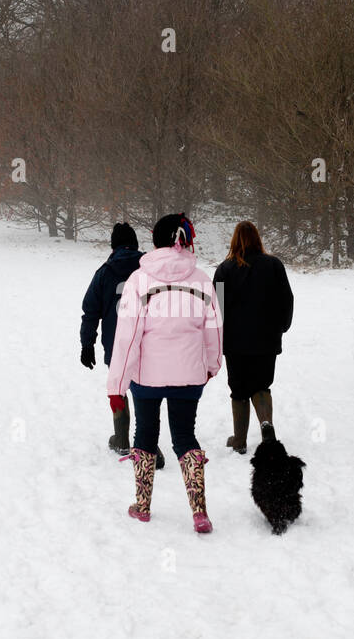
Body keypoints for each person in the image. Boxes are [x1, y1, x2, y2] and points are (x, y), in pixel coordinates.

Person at [107, 213, 222, 532]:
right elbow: (214, 327)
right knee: (185, 435)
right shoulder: (201, 279)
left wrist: (117, 384)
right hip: (189, 375)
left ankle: (142, 505)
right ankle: (199, 510)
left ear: (155, 240)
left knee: (145, 432)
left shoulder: (138, 281)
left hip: (147, 378)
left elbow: (127, 337)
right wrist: (211, 365)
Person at [80, 222, 164, 464]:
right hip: (149, 339)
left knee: (119, 387)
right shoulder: (151, 270)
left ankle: (121, 439)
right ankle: (149, 444)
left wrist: (87, 344)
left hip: (116, 342)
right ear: (136, 244)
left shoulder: (104, 272)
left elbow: (90, 311)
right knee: (144, 390)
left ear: (113, 245)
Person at [213, 221, 294, 454]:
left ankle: (239, 440)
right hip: (266, 339)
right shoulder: (274, 265)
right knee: (262, 385)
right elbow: (286, 299)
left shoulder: (225, 269)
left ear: (234, 240)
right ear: (258, 239)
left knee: (238, 390)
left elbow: (216, 308)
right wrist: (282, 326)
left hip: (235, 342)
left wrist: (217, 337)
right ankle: (266, 425)